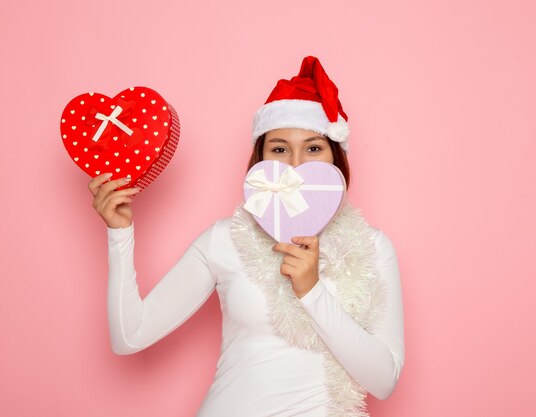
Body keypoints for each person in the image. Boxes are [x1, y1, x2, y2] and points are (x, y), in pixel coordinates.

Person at [88, 56, 404, 417]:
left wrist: (312, 292)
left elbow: (384, 381)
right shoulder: (224, 240)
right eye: (279, 149)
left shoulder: (374, 247)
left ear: (336, 159)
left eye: (314, 148)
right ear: (260, 159)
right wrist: (120, 235)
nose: (295, 165)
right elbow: (130, 337)